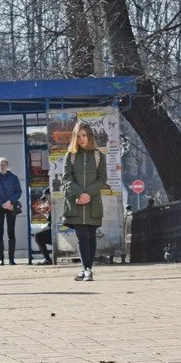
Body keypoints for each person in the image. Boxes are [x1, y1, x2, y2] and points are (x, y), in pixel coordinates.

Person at [62, 120, 107, 282]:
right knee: (81, 236)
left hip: (93, 203)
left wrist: (88, 194)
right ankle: (86, 269)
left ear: (89, 136)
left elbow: (102, 179)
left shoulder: (98, 156)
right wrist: (80, 194)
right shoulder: (70, 156)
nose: (82, 139)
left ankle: (87, 269)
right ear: (75, 137)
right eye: (79, 136)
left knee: (91, 235)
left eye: (85, 135)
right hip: (76, 203)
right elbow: (66, 179)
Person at [0, 156, 22, 265]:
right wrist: (2, 204)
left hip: (11, 206)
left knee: (11, 231)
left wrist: (9, 202)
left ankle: (11, 259)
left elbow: (18, 191)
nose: (2, 166)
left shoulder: (14, 177)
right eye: (0, 165)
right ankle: (0, 258)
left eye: (4, 165)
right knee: (0, 231)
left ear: (7, 166)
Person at [34, 189, 53, 264]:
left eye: (47, 197)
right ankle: (47, 259)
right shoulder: (52, 205)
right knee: (38, 235)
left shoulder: (56, 204)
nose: (46, 200)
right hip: (61, 232)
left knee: (38, 236)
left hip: (62, 233)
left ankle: (47, 259)